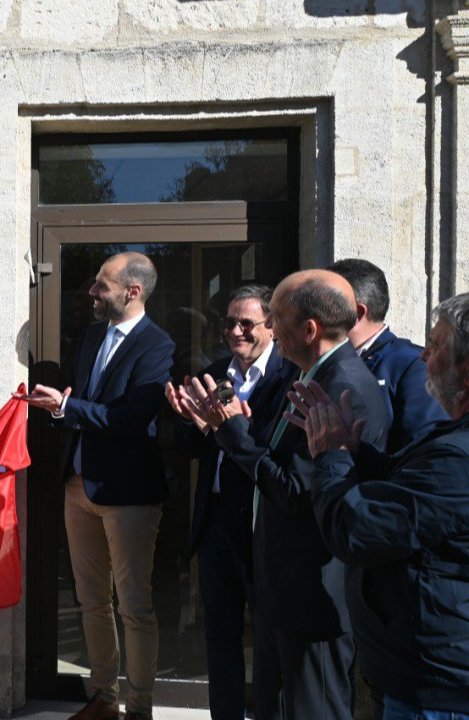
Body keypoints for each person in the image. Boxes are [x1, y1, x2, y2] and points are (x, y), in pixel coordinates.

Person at [179, 270, 389, 720]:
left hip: (311, 598)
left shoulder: (341, 388)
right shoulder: (313, 375)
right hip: (283, 592)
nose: (269, 328)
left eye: (275, 318)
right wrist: (221, 427)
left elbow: (294, 490)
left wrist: (232, 430)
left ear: (308, 329)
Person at [292, 292, 469, 719]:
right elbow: (410, 495)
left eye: (436, 346)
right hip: (418, 675)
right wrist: (358, 453)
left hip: (437, 690)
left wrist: (332, 456)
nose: (424, 355)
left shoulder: (458, 460)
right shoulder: (452, 440)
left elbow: (356, 530)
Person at [20, 252, 175, 720]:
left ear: (133, 292)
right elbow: (79, 399)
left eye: (101, 285)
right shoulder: (91, 336)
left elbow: (131, 419)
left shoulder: (158, 346)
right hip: (78, 487)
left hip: (128, 494)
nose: (91, 291)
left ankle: (139, 709)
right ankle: (104, 698)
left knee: (134, 606)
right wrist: (62, 407)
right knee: (90, 600)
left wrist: (67, 408)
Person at [165, 284, 293, 720]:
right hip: (217, 521)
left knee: (269, 641)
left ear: (272, 326)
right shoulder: (215, 373)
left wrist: (232, 427)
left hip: (262, 524)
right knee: (220, 636)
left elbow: (276, 453)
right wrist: (191, 421)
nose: (236, 332)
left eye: (246, 324)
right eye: (229, 323)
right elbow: (190, 447)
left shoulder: (289, 376)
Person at [327, 258, 448, 451]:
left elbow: (422, 449)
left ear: (357, 313)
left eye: (323, 305)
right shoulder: (321, 362)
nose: (312, 315)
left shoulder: (412, 364)